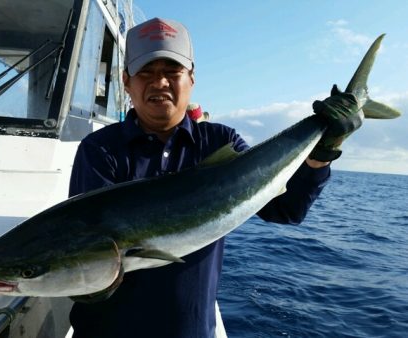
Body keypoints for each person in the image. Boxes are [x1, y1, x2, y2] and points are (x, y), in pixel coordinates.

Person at [68, 17, 363, 338]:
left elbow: (286, 210)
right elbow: (88, 251)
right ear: (127, 82)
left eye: (172, 71)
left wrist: (323, 152)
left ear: (191, 79)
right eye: (146, 73)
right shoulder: (100, 149)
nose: (160, 82)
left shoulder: (220, 142)